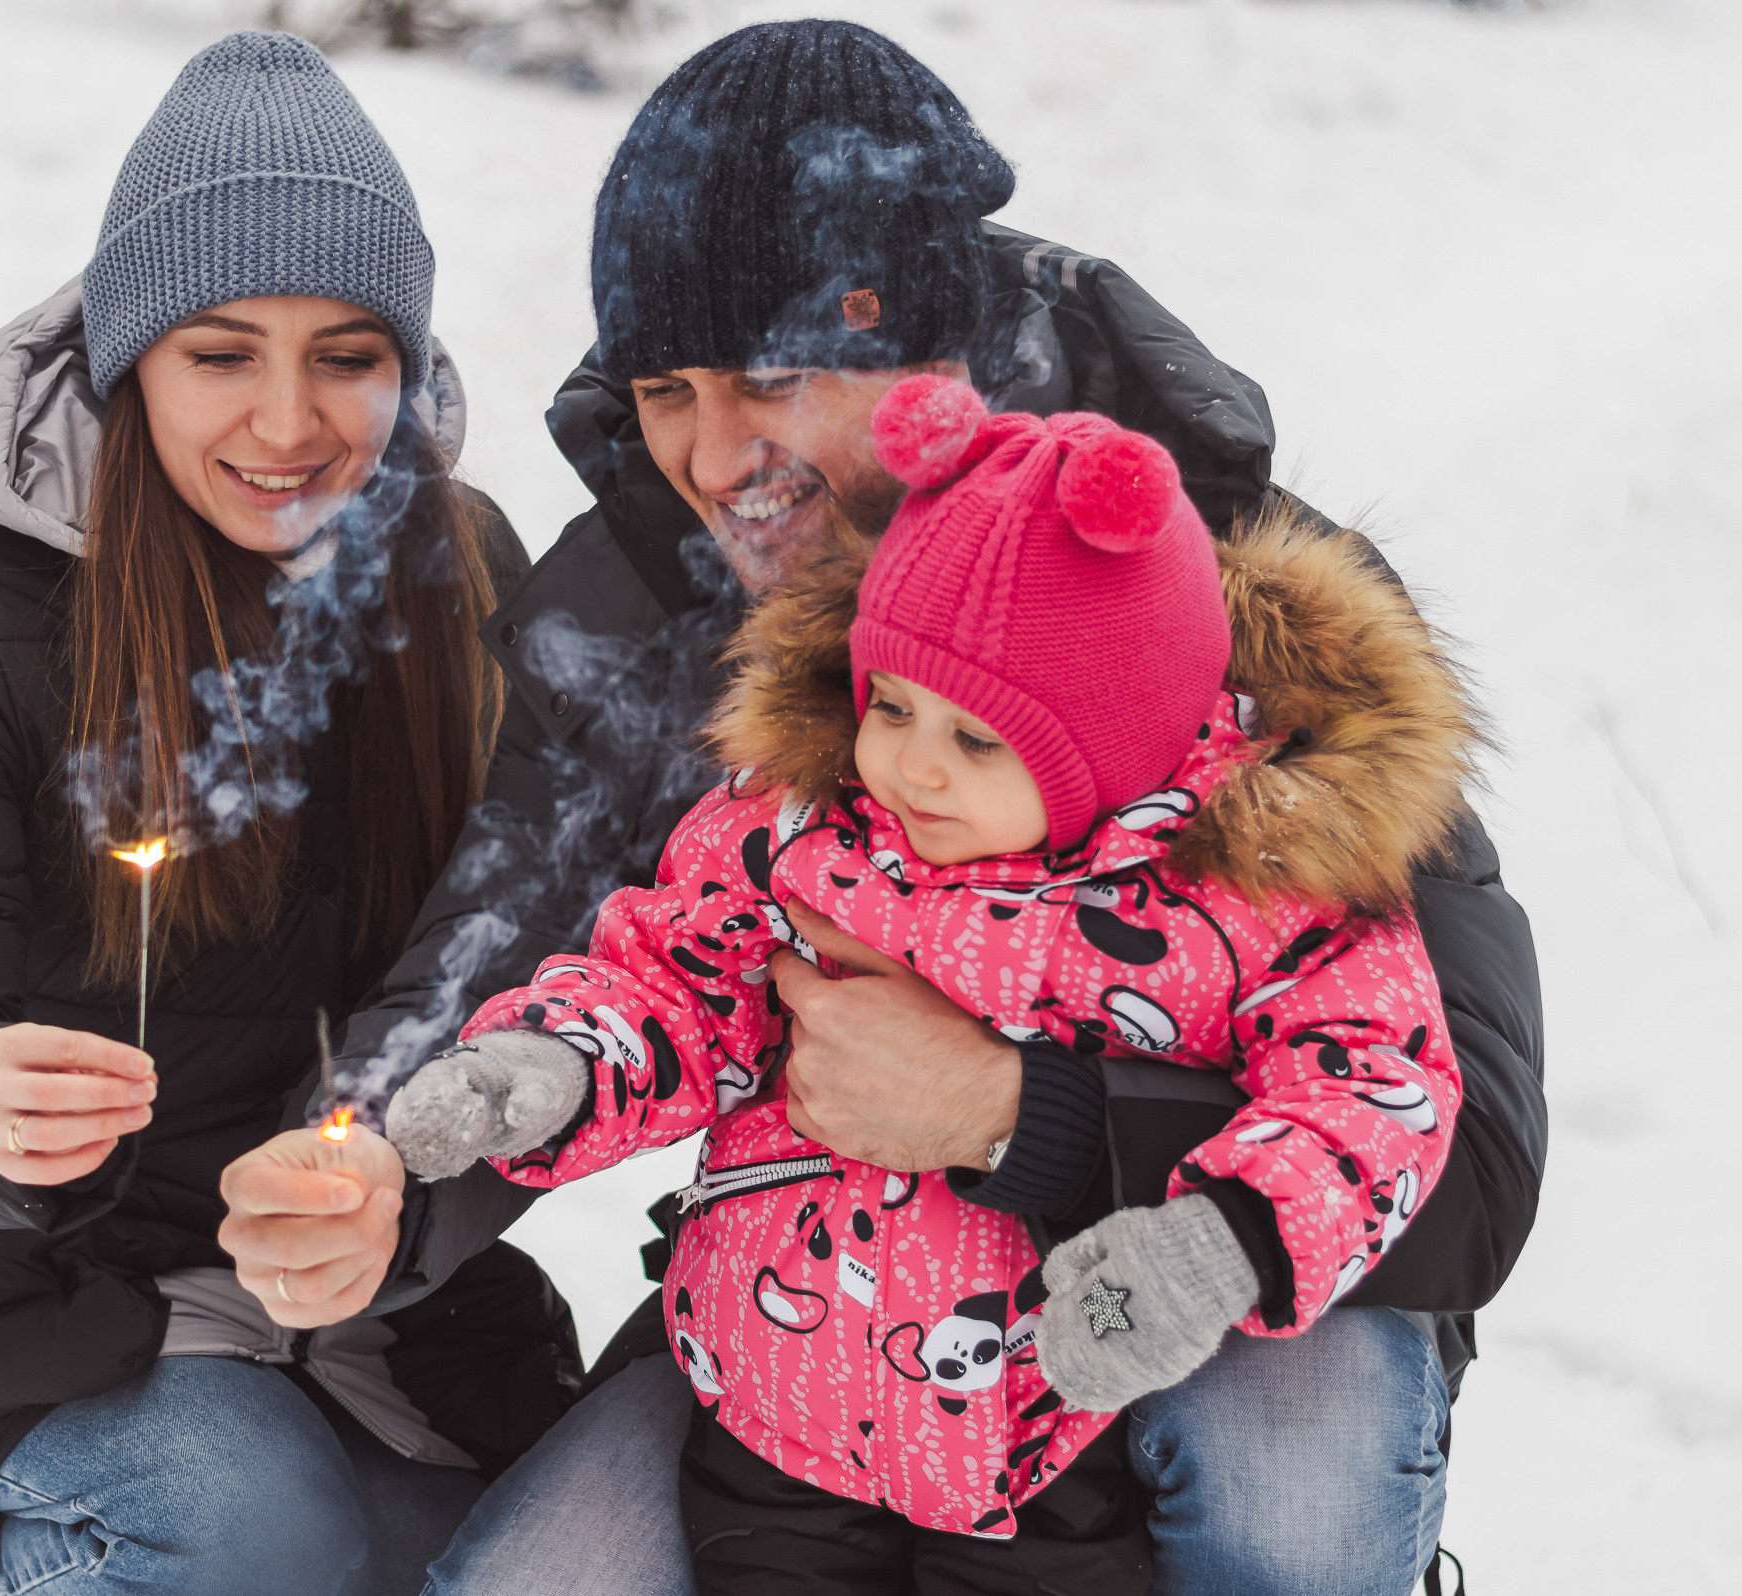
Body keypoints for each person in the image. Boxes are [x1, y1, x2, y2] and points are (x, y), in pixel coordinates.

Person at [220, 20, 1545, 1596]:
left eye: (773, 377)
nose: (714, 454)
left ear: (927, 360)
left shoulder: (1221, 584)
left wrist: (1015, 1113)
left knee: (1301, 1482)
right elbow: (503, 962)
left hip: (1205, 1283)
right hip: (832, 1302)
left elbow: (1465, 1156)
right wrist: (378, 1181)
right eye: (666, 387)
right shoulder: (656, 604)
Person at [385, 374, 1478, 1594]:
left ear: (1117, 743)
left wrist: (1216, 1244)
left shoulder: (1245, 889)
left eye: (978, 739)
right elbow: (675, 983)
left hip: (1050, 1446)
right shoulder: (800, 828)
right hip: (773, 1414)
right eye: (892, 706)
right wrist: (554, 1063)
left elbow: (1372, 1087)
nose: (912, 766)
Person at [0, 33, 573, 1596]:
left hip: (346, 1296)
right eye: (221, 354)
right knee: (252, 1531)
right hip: (4, 1281)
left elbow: (528, 990)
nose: (288, 422)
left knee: (516, 1565)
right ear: (131, 358)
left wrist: (400, 1205)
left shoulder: (466, 574)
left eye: (346, 355)